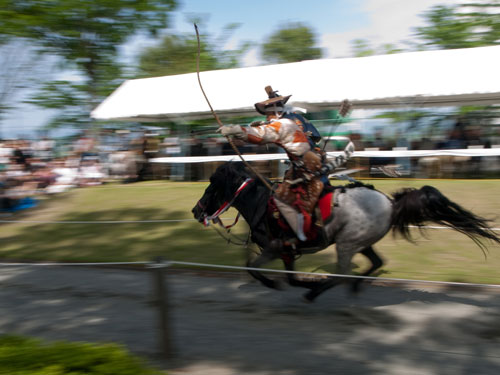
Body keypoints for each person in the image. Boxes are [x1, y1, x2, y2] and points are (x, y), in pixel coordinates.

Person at [218, 86, 353, 243]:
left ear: (275, 110)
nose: (267, 117)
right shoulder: (294, 119)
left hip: (307, 166)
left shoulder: (283, 123)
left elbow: (264, 134)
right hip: (308, 162)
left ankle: (300, 235)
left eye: (268, 113)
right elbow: (313, 137)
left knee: (282, 199)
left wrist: (235, 129)